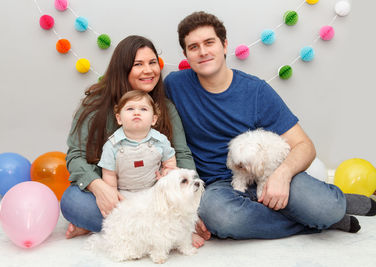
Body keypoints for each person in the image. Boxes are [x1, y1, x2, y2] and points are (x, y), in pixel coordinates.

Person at [164, 11, 376, 240]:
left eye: (209, 42)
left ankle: (333, 209)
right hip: (219, 187)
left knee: (327, 208)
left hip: (268, 174)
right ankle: (318, 223)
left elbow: (304, 145)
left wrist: (282, 175)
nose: (203, 51)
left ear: (225, 45)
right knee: (220, 217)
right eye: (194, 47)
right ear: (186, 54)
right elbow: (138, 103)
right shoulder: (175, 85)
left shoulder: (256, 91)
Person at [60, 35, 205, 247]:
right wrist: (99, 187)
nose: (149, 70)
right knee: (73, 203)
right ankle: (159, 233)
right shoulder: (95, 106)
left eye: (152, 62)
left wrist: (183, 190)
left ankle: (123, 231)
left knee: (192, 203)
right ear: (123, 68)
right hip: (115, 193)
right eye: (138, 64)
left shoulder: (165, 108)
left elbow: (181, 153)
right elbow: (75, 156)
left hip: (152, 195)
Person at [98, 90, 177, 201]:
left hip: (155, 189)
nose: (136, 113)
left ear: (153, 119)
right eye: (130, 109)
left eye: (143, 109)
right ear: (119, 118)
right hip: (125, 192)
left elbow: (169, 161)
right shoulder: (112, 145)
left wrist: (168, 171)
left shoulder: (160, 140)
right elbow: (109, 174)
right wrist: (113, 194)